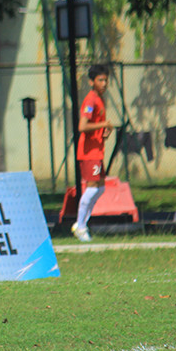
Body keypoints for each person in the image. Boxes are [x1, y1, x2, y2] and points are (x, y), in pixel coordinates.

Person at [72, 64, 114, 242]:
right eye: (100, 80)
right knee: (91, 188)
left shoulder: (100, 99)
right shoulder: (90, 100)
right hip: (89, 153)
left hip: (97, 151)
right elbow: (82, 126)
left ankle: (82, 223)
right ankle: (80, 226)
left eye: (106, 80)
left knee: (101, 187)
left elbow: (94, 126)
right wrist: (103, 125)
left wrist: (104, 132)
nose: (104, 83)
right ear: (92, 82)